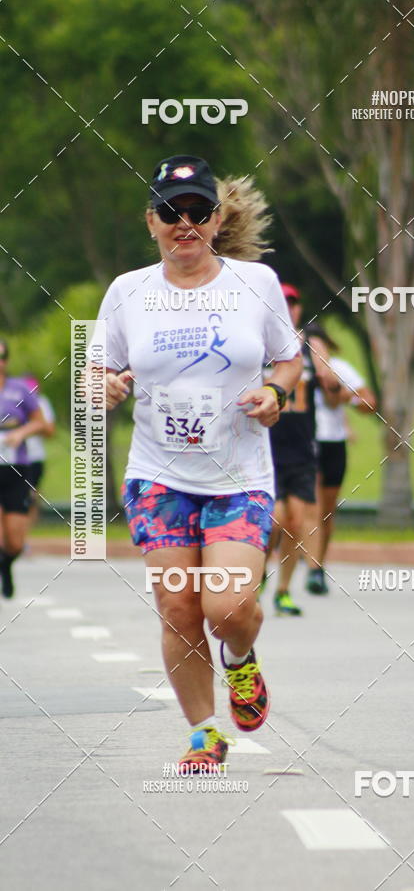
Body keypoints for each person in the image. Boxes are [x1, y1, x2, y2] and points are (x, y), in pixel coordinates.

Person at [95, 155, 302, 772]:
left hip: (239, 476)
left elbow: (288, 359)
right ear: (151, 221)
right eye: (170, 211)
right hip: (158, 476)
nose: (183, 223)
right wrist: (102, 386)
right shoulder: (127, 292)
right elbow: (94, 369)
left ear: (216, 219)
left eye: (197, 211)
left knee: (227, 608)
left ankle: (239, 659)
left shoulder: (255, 283)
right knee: (179, 607)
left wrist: (277, 393)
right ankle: (204, 735)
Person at [264, 286, 345, 615]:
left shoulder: (311, 346)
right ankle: (259, 573)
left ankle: (283, 591)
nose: (289, 308)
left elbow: (334, 400)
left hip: (301, 448)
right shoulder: (258, 342)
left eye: (294, 303)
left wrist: (330, 377)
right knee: (274, 521)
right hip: (265, 448)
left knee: (296, 522)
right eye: (283, 302)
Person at [303, 324, 376, 595]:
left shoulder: (340, 368)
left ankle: (318, 565)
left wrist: (348, 397)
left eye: (318, 348)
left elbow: (369, 403)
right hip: (307, 443)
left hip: (333, 443)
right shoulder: (296, 369)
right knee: (312, 507)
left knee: (326, 511)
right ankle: (312, 568)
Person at [0, 340, 46, 598]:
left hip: (16, 469)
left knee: (15, 542)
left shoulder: (19, 390)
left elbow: (42, 424)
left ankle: (6, 563)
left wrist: (21, 433)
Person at [22, 375, 56, 527]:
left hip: (35, 457)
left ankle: (29, 529)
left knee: (32, 494)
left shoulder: (41, 403)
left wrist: (34, 425)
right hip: (12, 458)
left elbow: (50, 431)